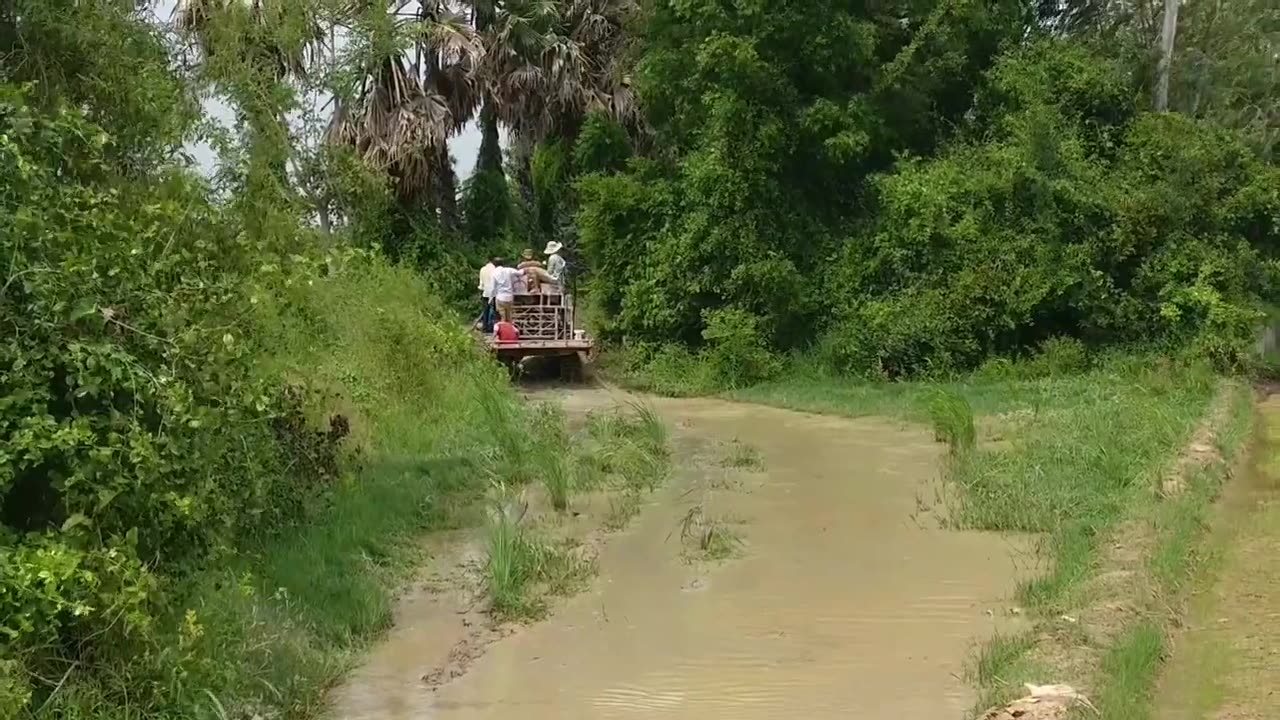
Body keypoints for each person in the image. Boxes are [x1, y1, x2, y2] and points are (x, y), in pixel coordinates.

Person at [488, 257, 523, 322]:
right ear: (502, 264)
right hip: (509, 297)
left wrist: (490, 299)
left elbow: (493, 288)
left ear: (494, 265)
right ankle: (510, 329)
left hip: (500, 297)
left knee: (502, 317)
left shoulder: (494, 274)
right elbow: (520, 273)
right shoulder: (508, 270)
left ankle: (503, 330)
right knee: (509, 317)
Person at [477, 256, 497, 332]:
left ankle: (485, 327)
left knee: (486, 310)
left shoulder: (482, 269)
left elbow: (481, 284)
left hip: (485, 293)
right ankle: (491, 327)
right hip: (494, 293)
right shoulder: (495, 270)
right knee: (494, 311)